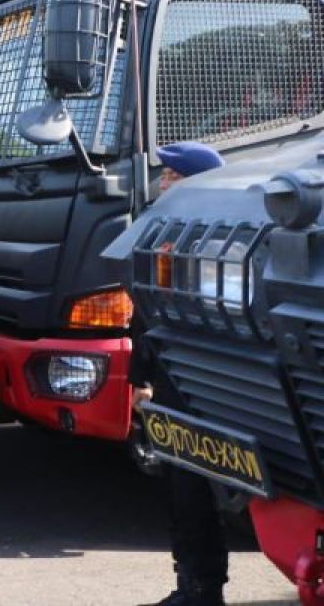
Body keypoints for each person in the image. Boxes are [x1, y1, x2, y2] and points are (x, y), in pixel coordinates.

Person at [132, 140, 227, 606]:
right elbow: (144, 314)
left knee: (201, 489)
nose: (163, 182)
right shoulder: (160, 231)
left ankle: (205, 588)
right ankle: (191, 585)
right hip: (171, 378)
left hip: (210, 381)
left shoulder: (220, 236)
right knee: (180, 486)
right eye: (164, 175)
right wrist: (139, 379)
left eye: (172, 176)